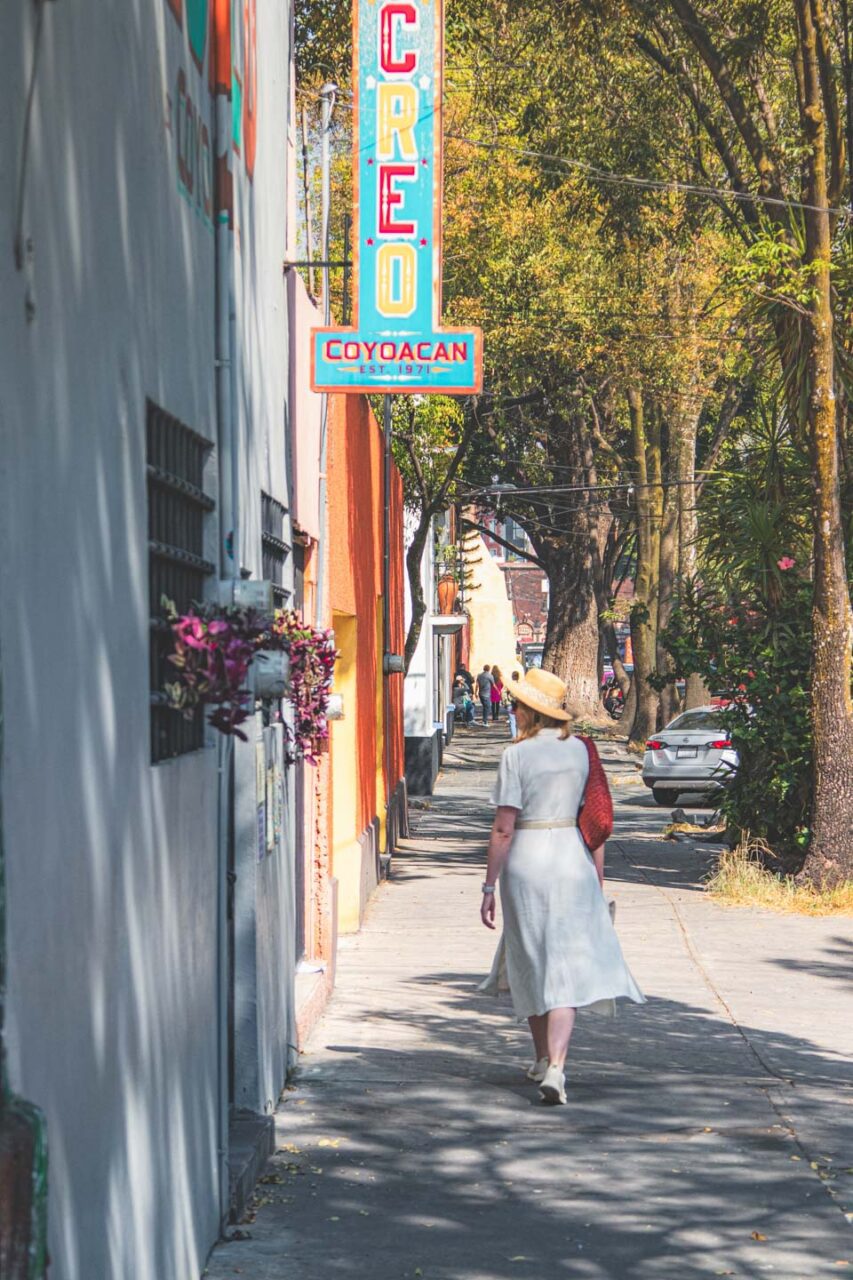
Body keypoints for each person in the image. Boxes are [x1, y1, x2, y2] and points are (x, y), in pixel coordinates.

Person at [478, 667, 645, 1105]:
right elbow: (597, 820)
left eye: (516, 704)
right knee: (564, 966)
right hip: (571, 857)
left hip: (527, 861)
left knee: (531, 958)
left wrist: (489, 886)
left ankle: (541, 1056)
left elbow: (502, 828)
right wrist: (597, 874)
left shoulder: (516, 756)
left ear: (530, 711)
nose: (511, 709)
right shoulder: (582, 751)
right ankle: (554, 1066)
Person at [505, 669, 521, 738]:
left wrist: (505, 701)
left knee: (512, 721)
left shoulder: (509, 684)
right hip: (519, 704)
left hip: (510, 703)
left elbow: (503, 693)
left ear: (512, 677)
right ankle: (520, 735)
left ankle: (514, 736)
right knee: (519, 721)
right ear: (518, 677)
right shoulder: (521, 685)